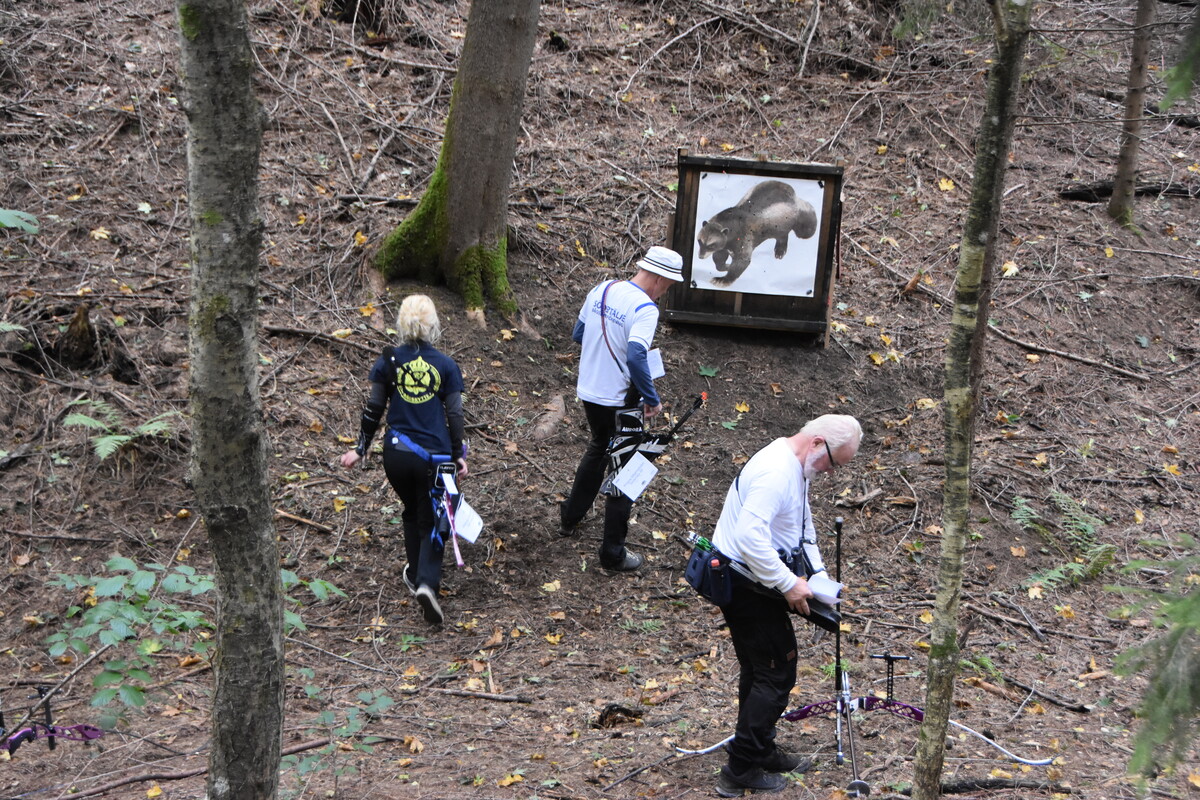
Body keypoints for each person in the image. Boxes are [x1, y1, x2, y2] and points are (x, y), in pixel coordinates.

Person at [709, 414, 863, 797]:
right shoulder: (776, 471)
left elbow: (802, 527)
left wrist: (819, 578)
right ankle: (740, 769)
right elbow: (748, 536)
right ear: (817, 442)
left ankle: (758, 749)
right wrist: (788, 583)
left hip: (757, 582)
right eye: (833, 462)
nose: (830, 472)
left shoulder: (796, 468)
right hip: (745, 584)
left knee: (760, 669)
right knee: (776, 673)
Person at [340, 295, 467, 626]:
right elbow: (454, 414)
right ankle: (427, 583)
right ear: (433, 323)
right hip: (433, 458)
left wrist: (361, 448)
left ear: (401, 322)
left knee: (412, 511)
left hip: (396, 455)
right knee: (434, 517)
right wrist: (458, 455)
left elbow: (374, 407)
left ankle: (414, 575)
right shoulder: (446, 365)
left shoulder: (389, 361)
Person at [558, 245, 684, 572]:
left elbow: (578, 333)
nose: (665, 293)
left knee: (599, 447)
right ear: (659, 278)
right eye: (668, 286)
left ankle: (570, 516)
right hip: (619, 400)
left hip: (589, 392)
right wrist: (651, 398)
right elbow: (636, 356)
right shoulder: (645, 309)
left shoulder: (603, 288)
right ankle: (612, 553)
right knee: (625, 472)